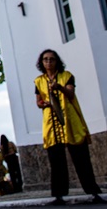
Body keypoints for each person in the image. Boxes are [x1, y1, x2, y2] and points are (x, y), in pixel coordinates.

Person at [35, 49, 104, 206]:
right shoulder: (38, 81)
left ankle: (93, 191)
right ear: (42, 63)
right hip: (51, 123)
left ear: (57, 61)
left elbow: (71, 94)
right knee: (56, 161)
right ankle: (58, 195)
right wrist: (43, 103)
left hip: (69, 121)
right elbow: (38, 101)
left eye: (52, 59)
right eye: (45, 59)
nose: (48, 62)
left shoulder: (67, 76)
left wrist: (59, 87)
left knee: (81, 158)